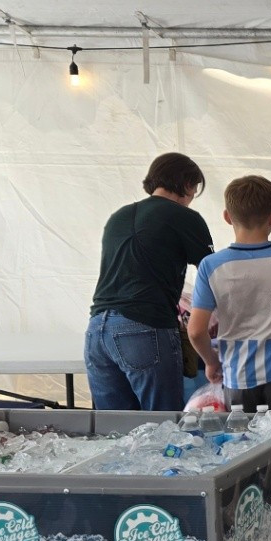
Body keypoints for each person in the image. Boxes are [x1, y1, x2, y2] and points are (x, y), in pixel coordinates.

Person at [85, 153, 213, 411]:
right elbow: (212, 272)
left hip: (97, 330)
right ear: (188, 184)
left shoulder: (118, 217)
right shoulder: (184, 217)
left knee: (113, 427)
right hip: (144, 324)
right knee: (162, 424)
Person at [186, 175, 271, 415]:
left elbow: (196, 331)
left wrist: (211, 362)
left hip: (238, 375)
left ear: (227, 217)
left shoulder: (211, 266)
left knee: (243, 437)